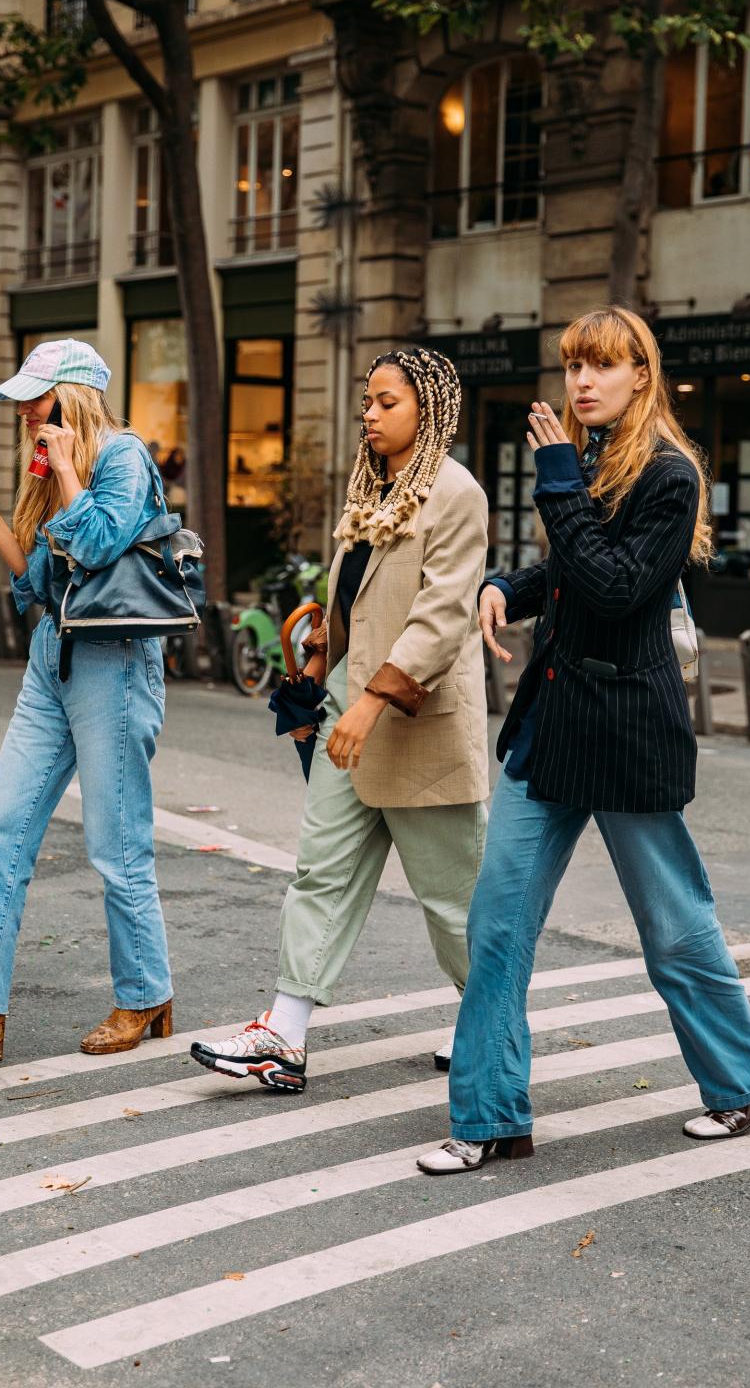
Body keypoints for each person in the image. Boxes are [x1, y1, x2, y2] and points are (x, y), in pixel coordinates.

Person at [417, 306, 750, 1174]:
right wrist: (511, 581)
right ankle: (491, 1117)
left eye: (602, 366)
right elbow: (574, 573)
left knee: (674, 929)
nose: (581, 381)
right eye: (574, 365)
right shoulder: (588, 461)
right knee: (497, 927)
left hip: (626, 733)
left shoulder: (669, 475)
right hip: (550, 729)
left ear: (640, 377)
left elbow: (619, 589)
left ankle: (740, 1081)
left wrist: (554, 481)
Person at [192, 346, 489, 1091]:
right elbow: (359, 599)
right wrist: (323, 657)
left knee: (453, 902)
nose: (371, 414)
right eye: (368, 401)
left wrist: (370, 699)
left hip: (419, 727)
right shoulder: (372, 490)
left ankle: (490, 1019)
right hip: (345, 718)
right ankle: (283, 1034)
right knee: (320, 875)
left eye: (388, 402)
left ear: (431, 408)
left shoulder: (456, 493)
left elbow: (443, 614)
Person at [0, 340, 174, 1062]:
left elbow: (103, 543)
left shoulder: (122, 457)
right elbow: (43, 589)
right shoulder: (54, 468)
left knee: (117, 846)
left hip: (115, 663)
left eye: (36, 400)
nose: (24, 412)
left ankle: (144, 996)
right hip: (54, 658)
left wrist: (70, 467)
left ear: (73, 397)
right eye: (23, 400)